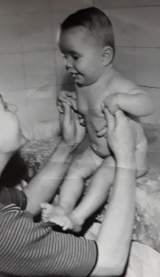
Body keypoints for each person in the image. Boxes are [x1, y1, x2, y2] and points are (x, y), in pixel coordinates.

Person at [0, 71, 137, 277]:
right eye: (6, 107)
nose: (14, 108)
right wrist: (125, 159)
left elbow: (30, 202)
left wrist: (67, 144)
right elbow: (109, 262)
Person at [41, 7, 155, 232]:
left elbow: (148, 103)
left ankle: (78, 217)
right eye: (65, 56)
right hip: (97, 151)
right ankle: (63, 208)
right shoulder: (83, 84)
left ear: (105, 56)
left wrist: (121, 99)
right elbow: (90, 111)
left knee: (101, 177)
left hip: (129, 155)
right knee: (75, 169)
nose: (67, 63)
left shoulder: (116, 84)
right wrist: (71, 100)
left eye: (75, 56)